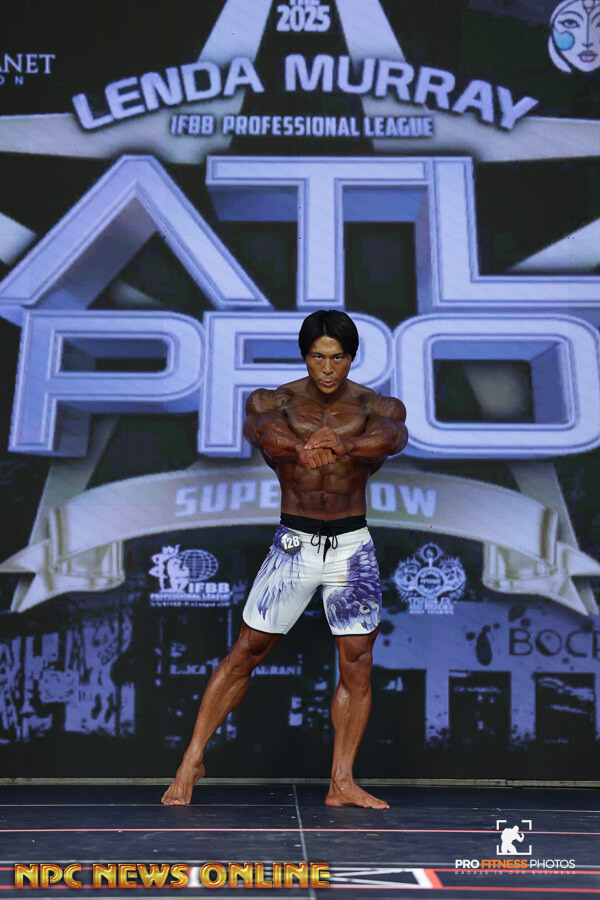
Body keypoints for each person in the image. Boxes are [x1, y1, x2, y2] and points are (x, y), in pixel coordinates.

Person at [162, 310, 408, 808]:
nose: (327, 369)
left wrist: (345, 443)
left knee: (357, 663)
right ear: (305, 356)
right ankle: (191, 761)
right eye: (318, 357)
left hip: (351, 546)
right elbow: (262, 432)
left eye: (337, 357)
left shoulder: (375, 405)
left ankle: (342, 782)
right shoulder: (274, 400)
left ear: (351, 358)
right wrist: (300, 448)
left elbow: (393, 438)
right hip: (294, 543)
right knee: (246, 652)